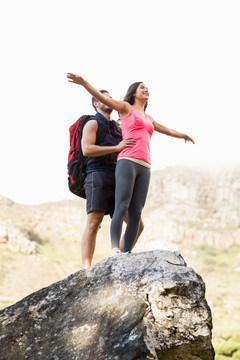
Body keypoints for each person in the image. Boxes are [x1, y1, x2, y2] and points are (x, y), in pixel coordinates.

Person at [67, 73, 195, 256]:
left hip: (145, 165)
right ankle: (115, 250)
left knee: (136, 212)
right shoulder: (125, 108)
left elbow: (166, 129)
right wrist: (84, 83)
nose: (146, 89)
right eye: (142, 87)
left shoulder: (149, 118)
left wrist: (182, 135)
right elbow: (102, 98)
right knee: (121, 205)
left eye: (147, 87)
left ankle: (126, 253)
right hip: (127, 161)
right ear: (133, 93)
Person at [75, 89, 144, 268]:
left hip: (118, 176)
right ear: (96, 103)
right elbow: (87, 149)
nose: (109, 99)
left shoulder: (117, 126)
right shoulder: (92, 123)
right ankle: (86, 269)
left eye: (110, 97)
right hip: (97, 174)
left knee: (138, 224)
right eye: (104, 97)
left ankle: (116, 260)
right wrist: (116, 148)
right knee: (94, 222)